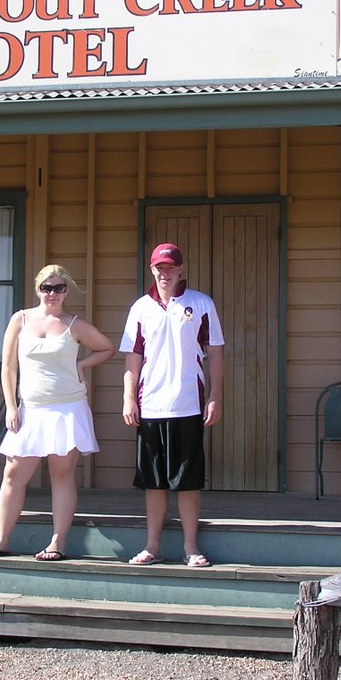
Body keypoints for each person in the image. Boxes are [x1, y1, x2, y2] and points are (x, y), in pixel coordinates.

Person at [0, 265, 115, 561]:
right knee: (13, 474)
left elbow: (106, 348)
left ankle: (57, 542)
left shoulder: (74, 324)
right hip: (31, 409)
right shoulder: (21, 319)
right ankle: (1, 540)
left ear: (67, 290)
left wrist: (81, 365)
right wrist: (11, 406)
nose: (53, 293)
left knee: (61, 475)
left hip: (67, 409)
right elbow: (8, 367)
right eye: (47, 287)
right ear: (38, 288)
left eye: (60, 287)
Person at [120, 243, 225, 568]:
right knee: (154, 481)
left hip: (188, 405)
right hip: (149, 406)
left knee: (188, 480)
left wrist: (215, 396)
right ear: (152, 270)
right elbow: (132, 356)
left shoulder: (201, 304)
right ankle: (152, 545)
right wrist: (127, 396)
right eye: (158, 267)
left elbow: (216, 352)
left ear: (181, 269)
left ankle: (191, 547)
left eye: (170, 267)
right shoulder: (140, 308)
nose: (164, 273)